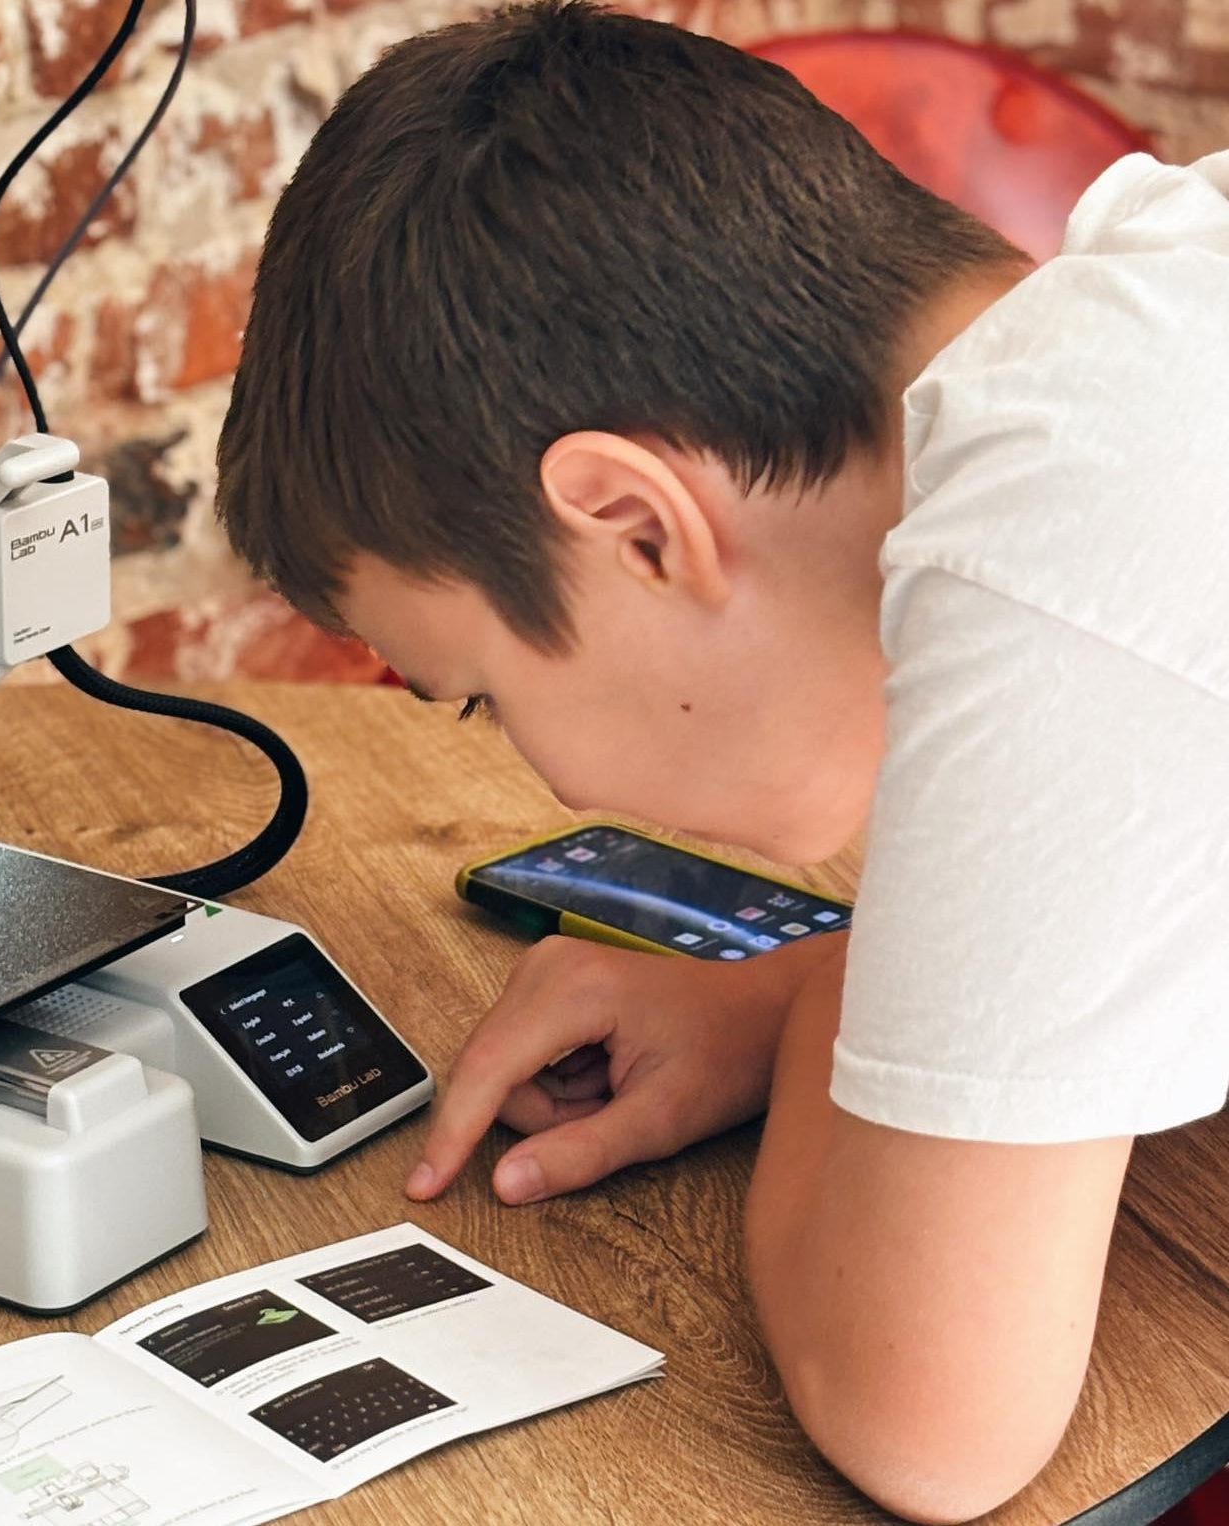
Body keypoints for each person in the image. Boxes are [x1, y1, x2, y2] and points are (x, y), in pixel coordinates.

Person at [213, 4, 1229, 1519]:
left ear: (634, 526)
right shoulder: (1167, 289)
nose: (552, 787)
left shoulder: (1058, 539)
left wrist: (830, 999)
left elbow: (932, 1421)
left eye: (483, 697)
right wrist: (792, 992)